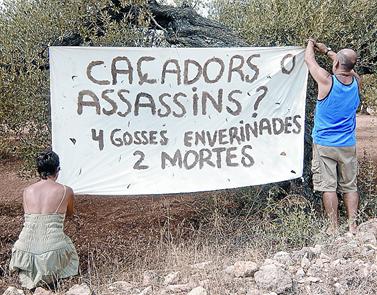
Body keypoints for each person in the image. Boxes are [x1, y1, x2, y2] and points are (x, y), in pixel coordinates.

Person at [304, 39, 361, 234]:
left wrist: (311, 45)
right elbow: (345, 63)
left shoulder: (326, 80)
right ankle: (353, 226)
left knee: (328, 187)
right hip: (347, 144)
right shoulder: (356, 82)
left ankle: (333, 227)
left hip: (325, 144)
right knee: (350, 186)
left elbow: (309, 61)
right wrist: (328, 50)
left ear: (336, 64)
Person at [9, 150, 79, 289]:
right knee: (69, 247)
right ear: (57, 169)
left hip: (23, 250)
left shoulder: (27, 191)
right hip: (52, 251)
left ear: (38, 170)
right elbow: (70, 214)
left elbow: (30, 218)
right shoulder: (66, 191)